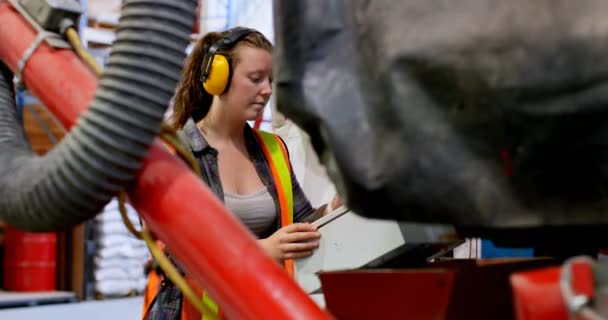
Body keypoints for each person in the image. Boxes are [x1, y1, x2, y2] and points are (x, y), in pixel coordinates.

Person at [143, 27, 341, 320]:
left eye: (270, 80)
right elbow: (173, 251)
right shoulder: (175, 152)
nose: (267, 90)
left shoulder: (273, 149)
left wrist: (336, 207)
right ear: (218, 79)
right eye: (255, 78)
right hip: (189, 312)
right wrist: (261, 250)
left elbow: (299, 221)